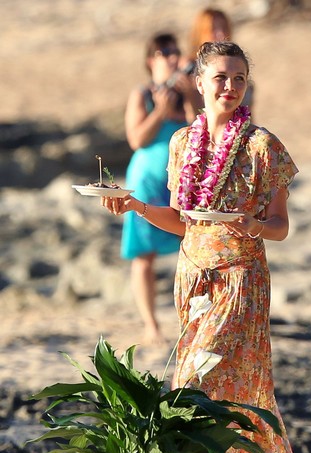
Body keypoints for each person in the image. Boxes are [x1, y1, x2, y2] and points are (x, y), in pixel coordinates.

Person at [102, 41, 303, 453]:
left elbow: (280, 224)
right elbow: (183, 220)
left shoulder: (262, 145)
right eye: (221, 77)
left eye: (239, 78)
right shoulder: (180, 143)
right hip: (191, 276)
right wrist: (135, 207)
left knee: (198, 383)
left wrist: (256, 227)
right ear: (199, 82)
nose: (231, 87)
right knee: (209, 384)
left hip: (240, 277)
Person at [121, 33, 197, 344]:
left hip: (182, 182)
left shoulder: (186, 92)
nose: (170, 57)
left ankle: (191, 318)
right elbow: (136, 140)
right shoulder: (142, 94)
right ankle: (150, 324)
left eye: (174, 51)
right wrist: (160, 112)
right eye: (163, 52)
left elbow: (202, 131)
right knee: (144, 254)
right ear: (150, 59)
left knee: (193, 250)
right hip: (148, 181)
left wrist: (191, 96)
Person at [185, 7, 254, 110]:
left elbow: (249, 116)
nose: (221, 34)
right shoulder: (187, 69)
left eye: (224, 28)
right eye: (213, 29)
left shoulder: (239, 65)